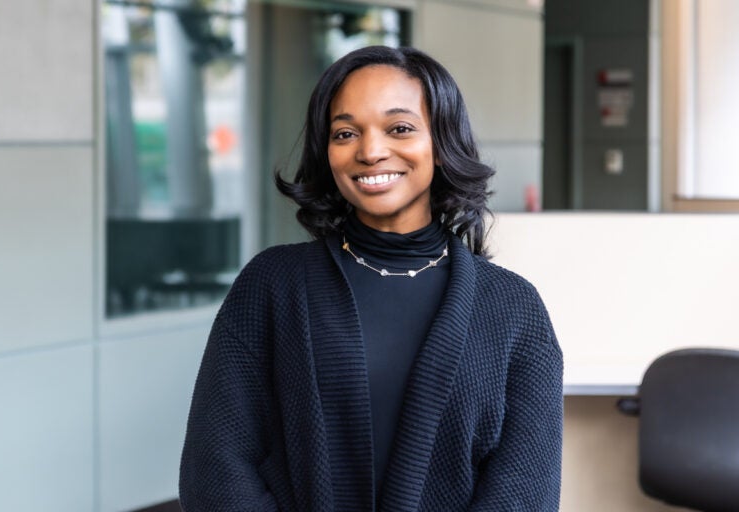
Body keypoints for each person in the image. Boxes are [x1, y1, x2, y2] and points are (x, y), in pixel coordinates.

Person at [179, 45, 563, 511]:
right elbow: (215, 468)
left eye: (399, 128)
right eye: (345, 133)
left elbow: (524, 491)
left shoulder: (514, 309)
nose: (371, 151)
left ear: (441, 144)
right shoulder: (272, 286)